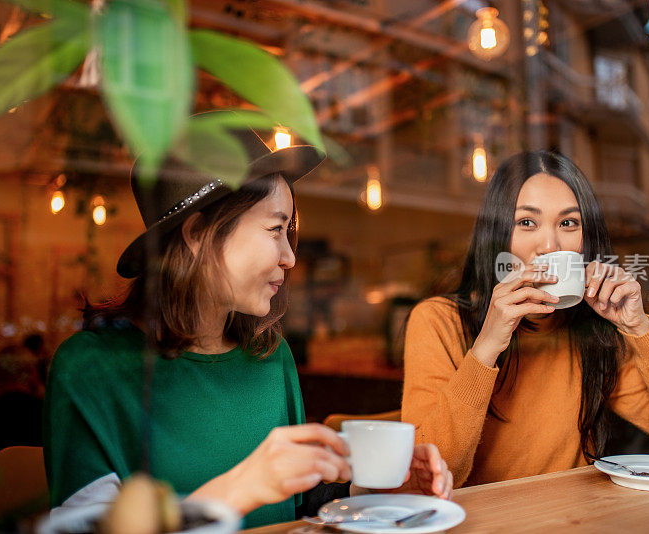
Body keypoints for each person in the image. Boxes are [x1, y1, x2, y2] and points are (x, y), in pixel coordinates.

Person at [44, 118, 452, 528]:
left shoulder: (269, 356)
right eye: (275, 229)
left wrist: (380, 490)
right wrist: (243, 487)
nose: (289, 257)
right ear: (198, 233)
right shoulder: (92, 370)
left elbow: (299, 503)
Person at [402, 150, 649, 488]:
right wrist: (487, 346)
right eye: (526, 222)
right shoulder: (438, 321)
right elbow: (427, 480)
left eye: (568, 223)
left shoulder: (595, 333)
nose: (550, 245)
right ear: (496, 236)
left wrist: (638, 328)